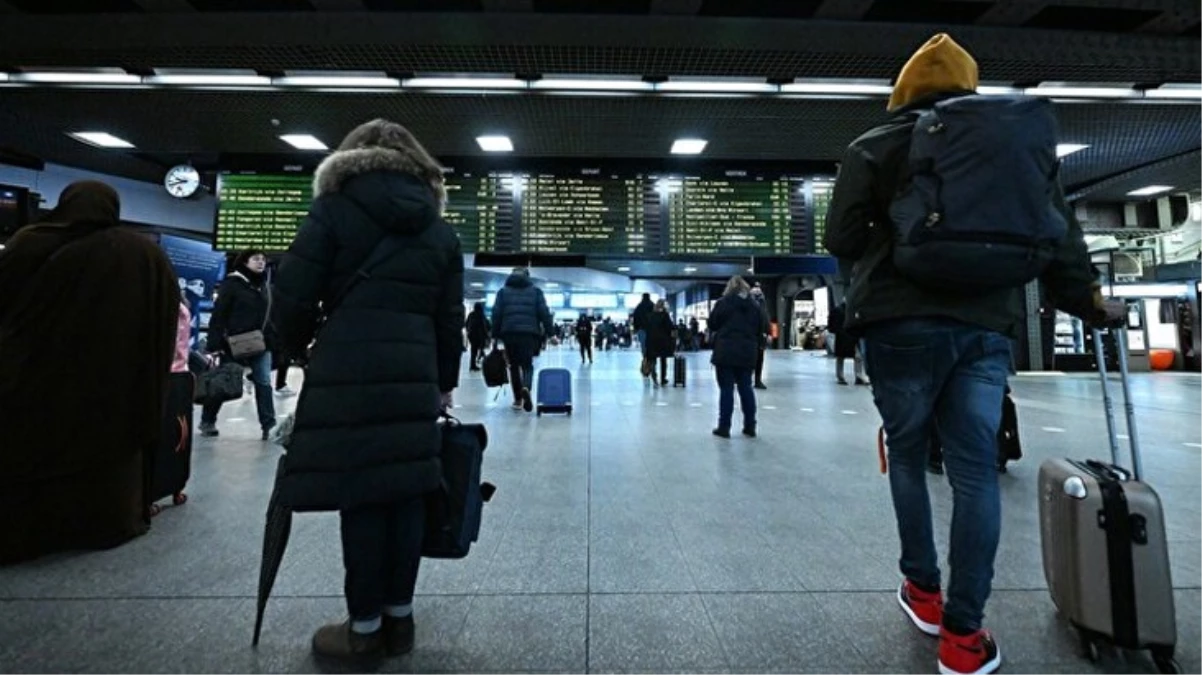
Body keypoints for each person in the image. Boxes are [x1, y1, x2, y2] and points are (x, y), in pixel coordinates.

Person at [824, 33, 1123, 675]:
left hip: (899, 325)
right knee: (973, 472)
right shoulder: (1010, 151)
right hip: (985, 325)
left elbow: (839, 234)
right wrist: (1089, 303)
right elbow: (1060, 235)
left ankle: (923, 591)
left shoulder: (875, 145)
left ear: (905, 91)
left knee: (905, 455)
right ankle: (964, 636)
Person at [271, 119, 464, 663]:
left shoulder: (332, 209)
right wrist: (443, 383)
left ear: (351, 158)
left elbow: (294, 292)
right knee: (406, 492)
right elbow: (451, 319)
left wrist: (298, 349)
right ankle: (400, 622)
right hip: (414, 373)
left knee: (362, 494)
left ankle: (363, 629)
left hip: (347, 368)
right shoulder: (439, 230)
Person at [0, 181, 179, 565]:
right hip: (117, 387)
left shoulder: (31, 243)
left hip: (37, 382)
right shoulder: (142, 254)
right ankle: (107, 522)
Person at [200, 249, 277, 440]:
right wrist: (215, 343)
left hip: (260, 342)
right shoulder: (232, 285)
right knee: (224, 382)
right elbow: (219, 316)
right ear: (245, 262)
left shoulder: (265, 287)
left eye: (263, 259)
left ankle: (269, 425)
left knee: (264, 382)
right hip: (233, 343)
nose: (261, 262)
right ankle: (208, 420)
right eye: (256, 259)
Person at [708, 276, 767, 438]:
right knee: (746, 388)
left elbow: (712, 324)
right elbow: (762, 327)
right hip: (747, 352)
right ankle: (750, 426)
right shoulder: (755, 306)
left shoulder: (723, 303)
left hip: (725, 352)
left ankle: (724, 427)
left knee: (726, 389)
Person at [491, 267, 553, 412]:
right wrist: (551, 333)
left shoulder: (503, 292)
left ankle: (518, 399)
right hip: (529, 333)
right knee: (527, 365)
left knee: (513, 366)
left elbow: (496, 314)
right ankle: (526, 386)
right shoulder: (536, 292)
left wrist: (495, 335)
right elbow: (544, 313)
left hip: (509, 332)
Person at [829, 303, 869, 386]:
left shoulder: (837, 310)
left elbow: (831, 324)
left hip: (844, 336)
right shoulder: (855, 309)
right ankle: (858, 376)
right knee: (857, 357)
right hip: (851, 335)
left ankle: (841, 377)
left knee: (841, 357)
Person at [645, 299, 677, 387]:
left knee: (652, 360)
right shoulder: (665, 315)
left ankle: (654, 378)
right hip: (662, 340)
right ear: (663, 306)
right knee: (663, 360)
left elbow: (646, 328)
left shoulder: (649, 315)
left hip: (651, 340)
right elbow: (670, 327)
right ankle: (663, 379)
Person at [750, 284, 770, 389]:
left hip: (759, 336)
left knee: (759, 359)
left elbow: (766, 319)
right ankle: (750, 379)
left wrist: (768, 332)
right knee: (751, 358)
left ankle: (757, 380)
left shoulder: (763, 304)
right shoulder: (749, 305)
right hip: (751, 336)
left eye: (759, 292)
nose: (758, 294)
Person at [631, 292, 655, 374]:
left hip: (641, 330)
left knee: (644, 347)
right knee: (651, 347)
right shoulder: (653, 306)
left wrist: (635, 328)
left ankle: (645, 363)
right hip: (652, 330)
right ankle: (651, 364)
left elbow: (635, 318)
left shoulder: (639, 307)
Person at [465, 301, 491, 371]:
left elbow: (466, 324)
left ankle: (473, 364)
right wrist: (487, 335)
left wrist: (468, 331)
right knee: (479, 349)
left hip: (471, 336)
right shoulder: (481, 315)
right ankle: (477, 363)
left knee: (473, 351)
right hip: (479, 336)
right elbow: (484, 326)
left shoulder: (471, 314)